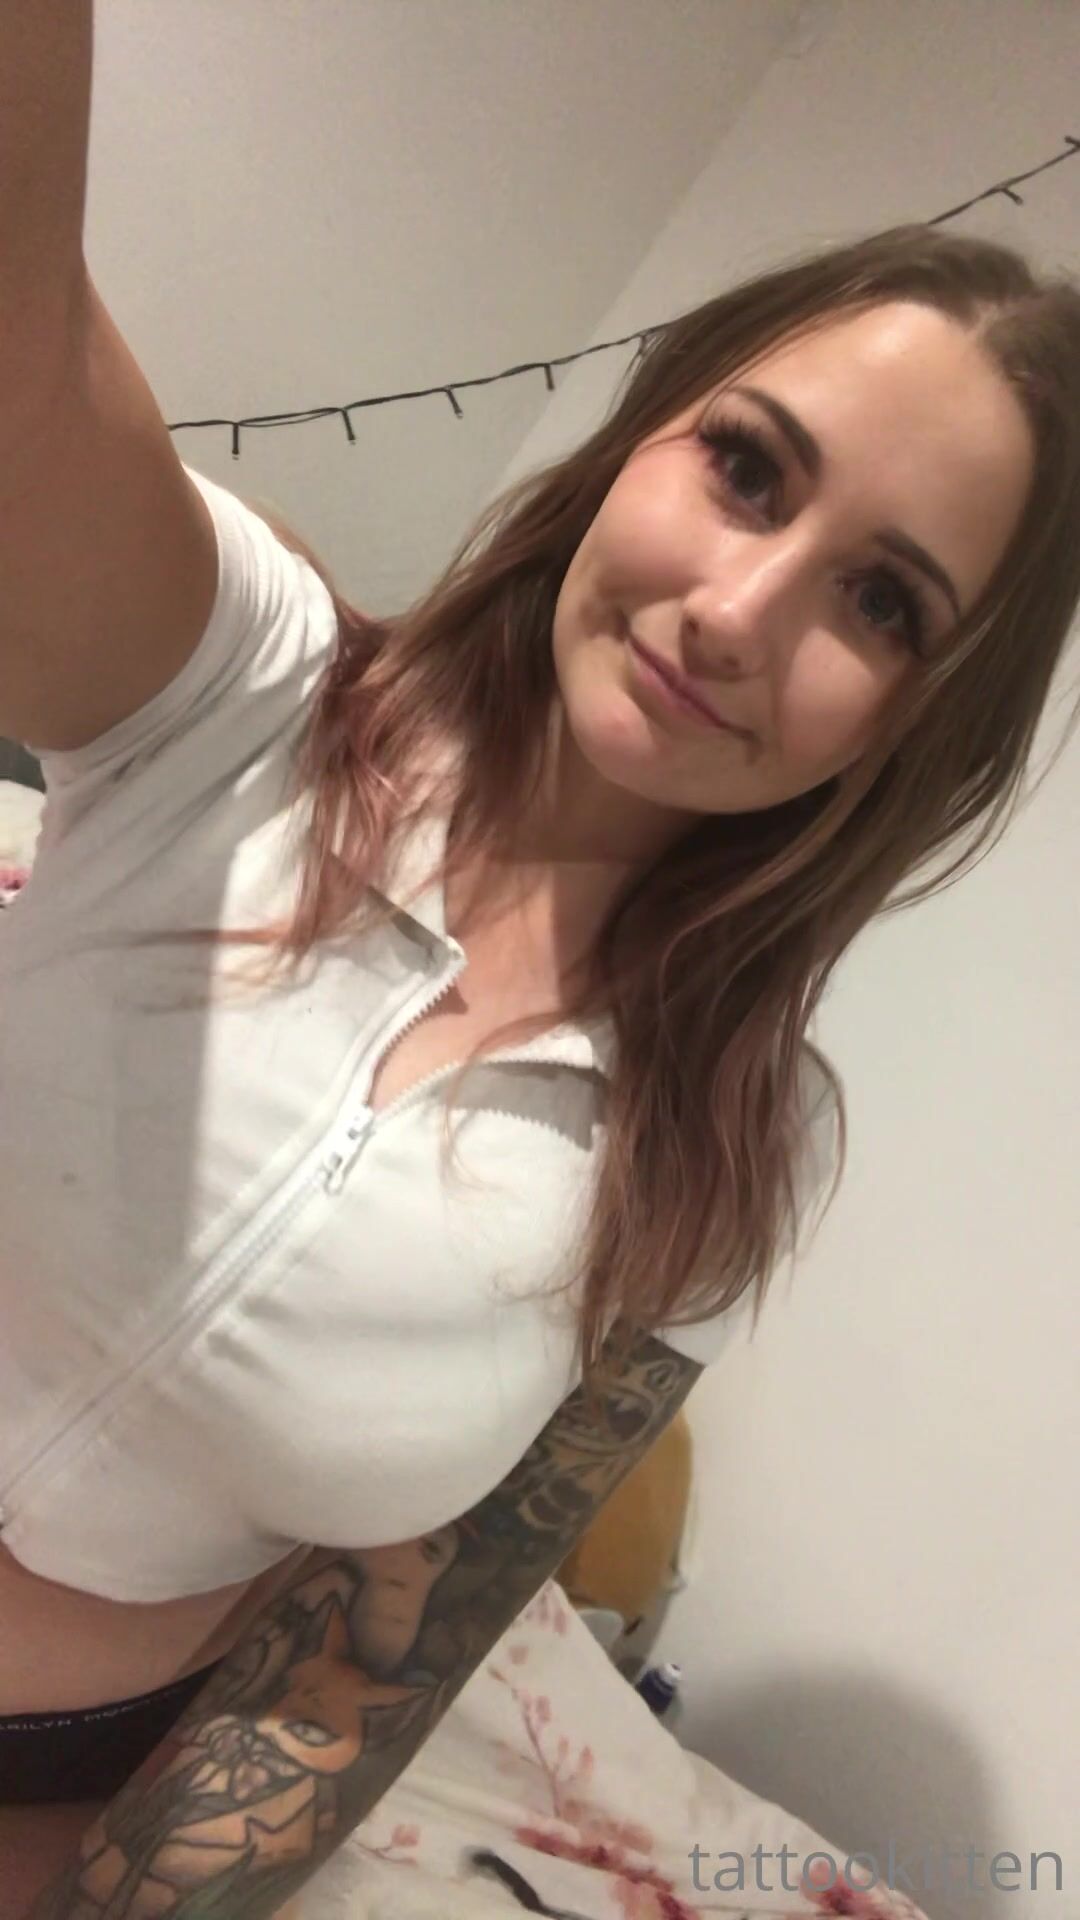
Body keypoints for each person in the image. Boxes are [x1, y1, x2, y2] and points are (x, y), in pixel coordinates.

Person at [2, 6, 1079, 1916]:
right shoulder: (241, 689)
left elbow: (377, 1643)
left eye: (881, 599)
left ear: (925, 722)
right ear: (640, 437)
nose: (739, 610)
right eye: (747, 469)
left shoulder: (731, 1155)